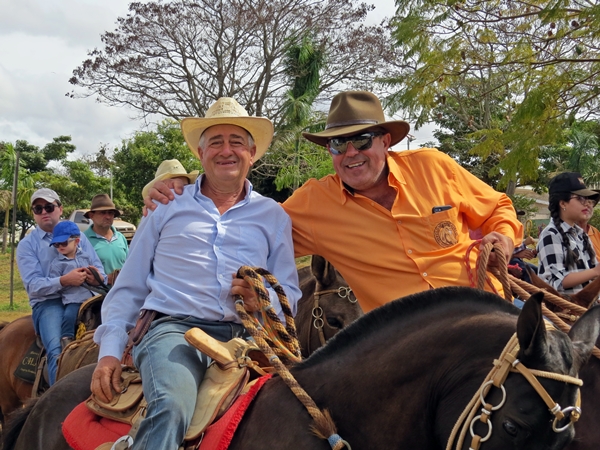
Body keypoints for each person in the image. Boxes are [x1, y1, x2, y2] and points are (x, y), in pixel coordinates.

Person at [146, 91, 522, 312]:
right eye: (338, 144)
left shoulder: (434, 167)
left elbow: (499, 209)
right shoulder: (314, 202)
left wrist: (503, 239)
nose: (351, 153)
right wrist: (184, 191)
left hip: (487, 310)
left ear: (386, 141)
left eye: (363, 140)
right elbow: (242, 223)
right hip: (410, 344)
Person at [91, 97, 301, 450]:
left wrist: (260, 299)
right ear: (201, 154)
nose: (226, 150)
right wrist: (110, 352)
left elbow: (289, 293)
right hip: (173, 331)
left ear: (251, 153)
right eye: (215, 142)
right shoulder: (165, 208)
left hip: (247, 337)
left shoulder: (273, 216)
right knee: (172, 405)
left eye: (236, 141)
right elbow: (128, 288)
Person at [17, 188, 106, 385]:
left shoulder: (78, 236)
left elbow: (101, 272)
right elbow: (33, 286)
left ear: (59, 208)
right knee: (59, 351)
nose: (44, 212)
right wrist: (64, 281)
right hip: (49, 303)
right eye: (38, 208)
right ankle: (56, 403)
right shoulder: (27, 245)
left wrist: (94, 278)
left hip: (85, 297)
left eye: (49, 207)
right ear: (33, 213)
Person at [537, 172, 600, 295]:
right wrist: (595, 271)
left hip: (588, 307)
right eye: (581, 198)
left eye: (589, 199)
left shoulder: (581, 234)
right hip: (565, 310)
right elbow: (555, 282)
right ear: (563, 203)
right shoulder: (551, 235)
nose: (587, 203)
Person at [48, 220, 98, 350]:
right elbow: (55, 283)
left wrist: (94, 275)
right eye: (56, 244)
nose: (60, 247)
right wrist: (67, 280)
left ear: (76, 241)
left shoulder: (86, 257)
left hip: (91, 296)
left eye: (64, 243)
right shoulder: (57, 264)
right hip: (73, 299)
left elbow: (96, 272)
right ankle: (67, 338)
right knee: (69, 316)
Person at [83, 194, 129, 285]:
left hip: (123, 291)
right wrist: (107, 279)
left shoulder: (120, 237)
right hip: (99, 296)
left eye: (110, 213)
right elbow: (83, 273)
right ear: (92, 215)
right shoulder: (83, 240)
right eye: (103, 212)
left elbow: (130, 264)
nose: (107, 217)